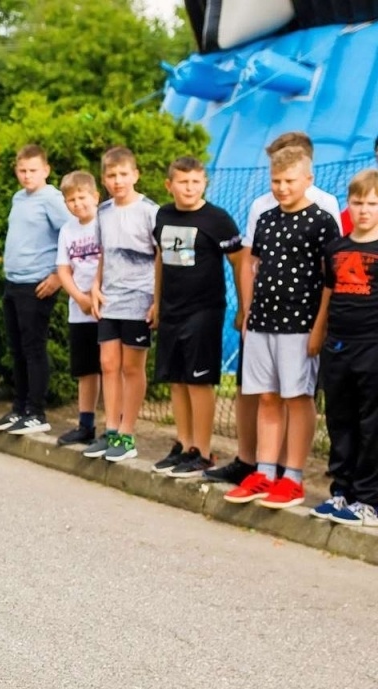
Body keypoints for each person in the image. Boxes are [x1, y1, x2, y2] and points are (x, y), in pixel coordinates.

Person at [207, 132, 346, 486]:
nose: (282, 187)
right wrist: (248, 309)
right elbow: (251, 261)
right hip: (263, 320)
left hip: (299, 320)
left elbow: (329, 274)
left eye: (289, 180)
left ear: (308, 177)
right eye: (276, 180)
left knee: (297, 395)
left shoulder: (323, 213)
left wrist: (320, 324)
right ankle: (264, 472)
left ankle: (292, 474)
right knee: (267, 395)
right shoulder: (265, 214)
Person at [150, 157, 244, 479]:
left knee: (198, 380)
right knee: (177, 379)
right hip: (171, 310)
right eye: (182, 182)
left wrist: (245, 306)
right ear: (169, 185)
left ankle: (203, 452)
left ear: (204, 183)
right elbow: (161, 257)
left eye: (196, 182)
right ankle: (185, 444)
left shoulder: (217, 219)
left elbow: (240, 261)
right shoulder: (162, 215)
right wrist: (156, 302)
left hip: (204, 311)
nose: (189, 188)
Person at [309, 168, 378, 525]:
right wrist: (318, 333)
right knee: (340, 419)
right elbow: (329, 294)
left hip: (372, 347)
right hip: (338, 345)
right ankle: (343, 492)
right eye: (358, 202)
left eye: (372, 203)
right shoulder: (337, 247)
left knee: (371, 423)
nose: (364, 209)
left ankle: (369, 499)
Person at [84, 147, 158, 462]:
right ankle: (111, 429)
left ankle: (128, 434)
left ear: (135, 175)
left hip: (140, 299)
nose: (118, 181)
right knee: (108, 364)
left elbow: (161, 257)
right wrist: (96, 286)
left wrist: (158, 299)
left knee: (132, 366)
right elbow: (104, 253)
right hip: (110, 299)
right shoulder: (103, 211)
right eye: (112, 176)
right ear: (104, 179)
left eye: (123, 174)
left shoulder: (151, 211)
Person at [0, 145, 69, 437]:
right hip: (14, 281)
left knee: (33, 349)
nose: (27, 176)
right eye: (22, 171)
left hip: (36, 284)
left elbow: (72, 234)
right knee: (17, 349)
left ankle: (37, 411)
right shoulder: (19, 198)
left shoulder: (52, 199)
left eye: (33, 171)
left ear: (46, 171)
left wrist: (57, 276)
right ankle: (19, 407)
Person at [54, 171, 105, 448]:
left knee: (110, 369)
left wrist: (95, 297)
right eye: (71, 200)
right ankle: (85, 425)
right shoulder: (67, 230)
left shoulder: (104, 223)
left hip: (106, 306)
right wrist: (80, 298)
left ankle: (116, 428)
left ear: (95, 197)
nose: (78, 204)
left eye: (82, 197)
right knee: (86, 369)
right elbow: (63, 269)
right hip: (80, 309)